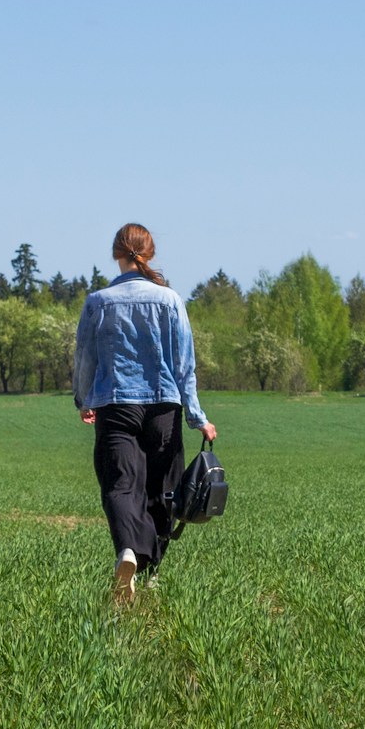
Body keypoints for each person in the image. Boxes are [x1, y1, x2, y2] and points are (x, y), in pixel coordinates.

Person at [73, 223, 217, 602]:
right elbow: (185, 365)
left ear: (116, 253)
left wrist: (84, 399)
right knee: (163, 492)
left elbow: (84, 358)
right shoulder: (171, 301)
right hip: (163, 410)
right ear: (149, 253)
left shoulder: (97, 302)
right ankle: (152, 573)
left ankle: (127, 553)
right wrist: (197, 416)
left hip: (115, 407)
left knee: (121, 486)